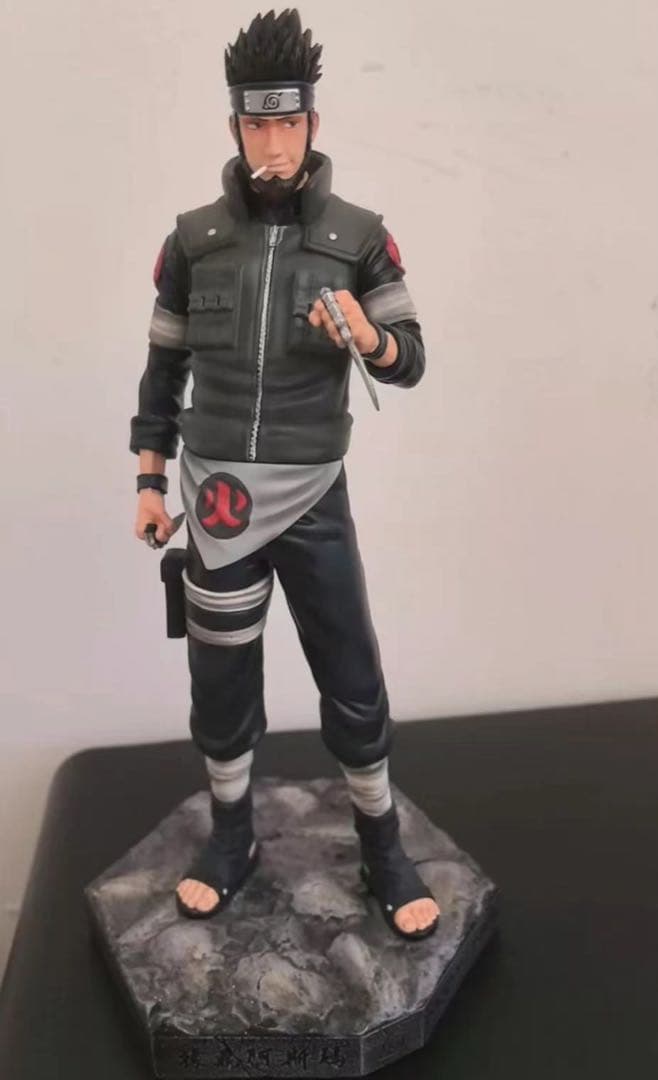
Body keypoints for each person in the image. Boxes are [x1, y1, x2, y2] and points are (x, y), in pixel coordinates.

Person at [130, 8, 440, 940]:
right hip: (216, 499)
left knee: (350, 669)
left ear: (312, 123)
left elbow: (410, 358)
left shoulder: (360, 237)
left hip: (311, 496)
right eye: (257, 124)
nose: (273, 144)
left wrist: (369, 336)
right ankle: (231, 837)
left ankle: (382, 843)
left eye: (288, 122)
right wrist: (149, 479)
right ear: (234, 126)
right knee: (221, 681)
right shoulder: (192, 241)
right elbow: (161, 368)